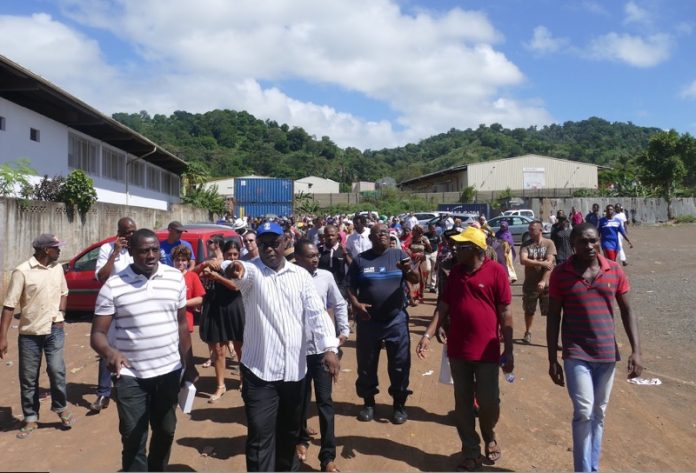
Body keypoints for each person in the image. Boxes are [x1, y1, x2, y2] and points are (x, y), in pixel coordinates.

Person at [223, 221, 341, 472]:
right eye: (263, 244)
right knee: (259, 438)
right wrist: (232, 267)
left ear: (285, 242)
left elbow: (317, 314)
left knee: (288, 435)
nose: (268, 249)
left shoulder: (301, 276)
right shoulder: (252, 273)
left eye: (274, 243)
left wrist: (329, 348)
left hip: (294, 375)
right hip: (260, 375)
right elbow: (239, 270)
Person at [91, 229, 198, 471]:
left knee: (166, 430)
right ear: (131, 252)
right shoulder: (114, 286)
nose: (151, 255)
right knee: (133, 437)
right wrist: (110, 353)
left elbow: (182, 324)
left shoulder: (175, 278)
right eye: (143, 251)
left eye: (154, 250)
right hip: (131, 377)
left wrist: (189, 365)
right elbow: (97, 334)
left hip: (169, 371)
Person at [547, 223, 643, 472]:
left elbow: (627, 310)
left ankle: (593, 467)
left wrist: (636, 351)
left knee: (599, 413)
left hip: (606, 354)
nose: (588, 246)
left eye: (592, 240)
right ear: (573, 243)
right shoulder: (561, 273)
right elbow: (554, 317)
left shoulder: (614, 270)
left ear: (599, 240)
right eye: (582, 241)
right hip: (576, 353)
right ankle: (582, 469)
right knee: (584, 411)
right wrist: (552, 359)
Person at [433, 227, 513, 471]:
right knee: (463, 403)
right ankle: (471, 450)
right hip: (459, 350)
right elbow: (444, 303)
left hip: (487, 350)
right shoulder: (455, 272)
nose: (455, 249)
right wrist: (431, 331)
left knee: (489, 402)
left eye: (461, 246)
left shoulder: (496, 272)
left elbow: (506, 313)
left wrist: (508, 350)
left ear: (476, 250)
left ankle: (489, 434)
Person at [0, 234, 74, 439]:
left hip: (54, 329)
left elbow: (64, 292)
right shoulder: (22, 271)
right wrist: (2, 337)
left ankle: (60, 407)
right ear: (44, 250)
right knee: (29, 378)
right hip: (30, 333)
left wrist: (61, 314)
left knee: (57, 370)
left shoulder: (57, 268)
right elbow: (8, 306)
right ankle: (30, 417)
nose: (59, 251)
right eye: (56, 248)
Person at [348, 223, 420, 424]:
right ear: (370, 238)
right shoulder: (361, 260)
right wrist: (355, 304)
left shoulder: (398, 255)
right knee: (367, 364)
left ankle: (399, 405)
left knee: (399, 364)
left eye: (386, 233)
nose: (383, 236)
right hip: (368, 321)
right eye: (378, 233)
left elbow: (414, 279)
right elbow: (350, 286)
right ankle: (369, 403)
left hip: (395, 320)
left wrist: (408, 269)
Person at [294, 240, 349, 472]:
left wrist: (343, 330)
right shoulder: (289, 277)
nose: (315, 259)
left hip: (322, 352)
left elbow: (338, 303)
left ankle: (327, 457)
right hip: (296, 353)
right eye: (309, 256)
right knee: (299, 402)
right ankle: (300, 440)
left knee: (325, 403)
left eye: (317, 255)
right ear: (297, 257)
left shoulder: (325, 276)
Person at [90, 217, 137, 413]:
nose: (130, 235)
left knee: (133, 344)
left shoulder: (139, 248)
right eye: (127, 232)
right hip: (112, 305)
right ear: (118, 232)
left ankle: (129, 386)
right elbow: (102, 277)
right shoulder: (107, 248)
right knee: (106, 347)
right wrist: (115, 253)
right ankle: (103, 392)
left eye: (133, 231)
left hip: (133, 305)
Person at [197, 240, 246, 401]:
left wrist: (217, 277)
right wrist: (207, 264)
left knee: (240, 348)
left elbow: (236, 286)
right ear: (223, 254)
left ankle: (244, 381)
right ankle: (220, 386)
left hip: (235, 310)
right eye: (229, 254)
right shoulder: (217, 265)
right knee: (218, 350)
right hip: (217, 310)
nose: (232, 258)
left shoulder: (241, 267)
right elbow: (196, 273)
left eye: (235, 254)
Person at [519, 220, 556, 345]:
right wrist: (541, 263)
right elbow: (523, 260)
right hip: (530, 284)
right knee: (529, 311)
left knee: (550, 312)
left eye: (532, 229)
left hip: (546, 286)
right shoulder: (526, 245)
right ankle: (528, 332)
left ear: (540, 230)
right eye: (529, 229)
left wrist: (543, 281)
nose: (530, 231)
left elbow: (550, 264)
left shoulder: (549, 243)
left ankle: (552, 336)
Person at [172, 245, 206, 333]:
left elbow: (200, 299)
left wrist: (182, 303)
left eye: (183, 260)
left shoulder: (192, 276)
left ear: (188, 261)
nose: (180, 263)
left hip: (186, 320)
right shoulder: (167, 276)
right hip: (169, 321)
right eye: (177, 260)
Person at [404, 225, 432, 304]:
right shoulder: (411, 239)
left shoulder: (424, 238)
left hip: (422, 260)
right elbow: (406, 247)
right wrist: (410, 253)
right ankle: (413, 295)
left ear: (418, 231)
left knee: (422, 278)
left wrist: (425, 242)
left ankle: (420, 295)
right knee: (413, 278)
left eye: (414, 230)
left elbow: (430, 249)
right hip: (413, 260)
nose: (412, 231)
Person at [424, 223, 440, 292]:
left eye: (434, 228)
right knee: (427, 269)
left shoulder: (437, 235)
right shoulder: (425, 235)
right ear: (429, 228)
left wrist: (438, 252)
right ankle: (425, 282)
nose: (433, 229)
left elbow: (439, 243)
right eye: (431, 228)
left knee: (434, 270)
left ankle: (432, 286)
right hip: (426, 253)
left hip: (434, 253)